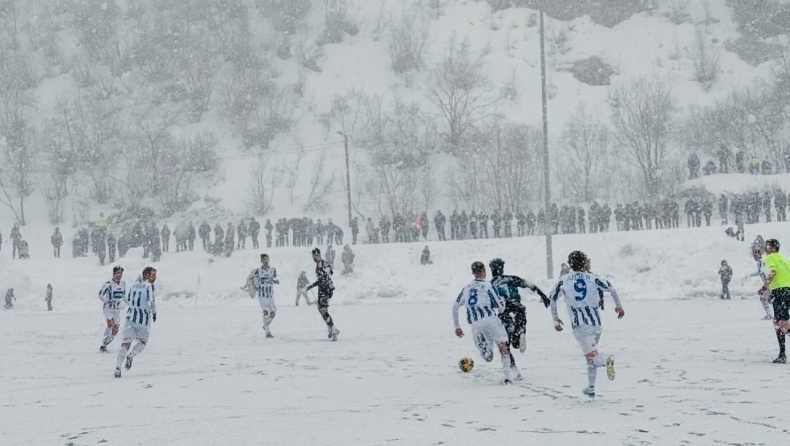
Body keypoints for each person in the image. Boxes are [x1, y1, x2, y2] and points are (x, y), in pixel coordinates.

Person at [549, 251, 625, 397]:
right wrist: (618, 306)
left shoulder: (564, 280)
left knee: (592, 356)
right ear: (584, 263)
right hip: (595, 323)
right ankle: (591, 387)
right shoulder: (593, 277)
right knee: (591, 354)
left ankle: (606, 360)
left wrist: (555, 318)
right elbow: (611, 288)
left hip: (580, 324)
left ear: (570, 264)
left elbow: (552, 299)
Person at [452, 261, 513, 385]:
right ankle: (507, 377)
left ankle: (486, 350)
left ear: (473, 273)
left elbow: (455, 306)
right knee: (502, 346)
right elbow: (500, 308)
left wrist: (457, 326)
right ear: (484, 271)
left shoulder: (466, 289)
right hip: (490, 320)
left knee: (488, 358)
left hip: (476, 323)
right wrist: (502, 301)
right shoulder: (488, 286)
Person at [489, 258, 550, 380]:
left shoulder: (491, 284)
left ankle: (515, 371)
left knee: (506, 345)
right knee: (517, 342)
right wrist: (543, 296)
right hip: (518, 308)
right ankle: (521, 331)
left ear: (492, 270)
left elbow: (488, 301)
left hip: (504, 313)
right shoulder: (512, 278)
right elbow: (530, 285)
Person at [115, 267, 157, 378]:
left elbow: (128, 299)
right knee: (142, 342)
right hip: (143, 321)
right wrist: (154, 313)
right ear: (146, 275)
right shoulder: (149, 286)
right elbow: (151, 301)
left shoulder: (134, 285)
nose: (155, 277)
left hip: (130, 318)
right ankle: (131, 355)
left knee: (125, 344)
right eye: (153, 275)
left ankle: (118, 366)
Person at [760, 239, 790, 364]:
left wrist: (765, 287)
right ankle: (782, 353)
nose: (765, 248)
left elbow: (773, 272)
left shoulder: (770, 257)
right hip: (787, 291)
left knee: (778, 323)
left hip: (780, 292)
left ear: (773, 248)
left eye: (767, 246)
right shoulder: (785, 259)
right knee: (783, 321)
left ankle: (782, 354)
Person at [304, 248, 340, 341]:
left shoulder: (320, 264)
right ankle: (330, 329)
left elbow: (321, 279)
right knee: (323, 309)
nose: (315, 257)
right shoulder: (324, 263)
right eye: (313, 256)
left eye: (316, 255)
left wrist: (310, 286)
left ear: (319, 255)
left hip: (324, 289)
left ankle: (333, 328)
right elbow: (330, 271)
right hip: (328, 288)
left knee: (322, 310)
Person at [247, 254, 279, 338]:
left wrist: (276, 281)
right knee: (266, 311)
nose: (266, 261)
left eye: (267, 259)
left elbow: (275, 278)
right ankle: (267, 331)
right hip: (262, 294)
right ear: (261, 261)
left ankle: (266, 324)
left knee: (273, 312)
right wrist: (253, 287)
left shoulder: (273, 269)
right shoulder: (258, 270)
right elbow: (249, 278)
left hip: (270, 295)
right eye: (264, 259)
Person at [99, 266, 128, 353]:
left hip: (116, 309)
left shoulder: (123, 284)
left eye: (121, 273)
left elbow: (123, 296)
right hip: (108, 308)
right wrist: (107, 301)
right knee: (110, 325)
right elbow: (100, 295)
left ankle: (105, 344)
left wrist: (130, 304)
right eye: (118, 273)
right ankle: (103, 344)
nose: (119, 275)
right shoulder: (108, 284)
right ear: (114, 274)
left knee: (116, 329)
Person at [746, 248, 773, 320]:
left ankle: (771, 314)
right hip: (767, 283)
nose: (755, 257)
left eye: (756, 255)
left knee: (766, 298)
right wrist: (750, 275)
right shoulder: (759, 262)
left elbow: (765, 271)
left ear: (759, 254)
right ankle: (771, 314)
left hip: (769, 283)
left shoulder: (763, 261)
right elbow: (760, 272)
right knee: (766, 298)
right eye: (754, 255)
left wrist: (767, 283)